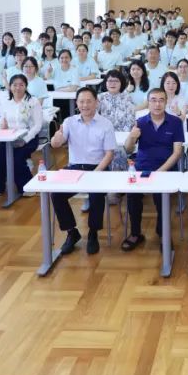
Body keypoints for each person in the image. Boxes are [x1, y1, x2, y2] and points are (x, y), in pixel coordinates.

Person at [50, 87, 115, 255]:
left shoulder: (106, 124)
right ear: (76, 103)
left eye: (89, 101)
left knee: (96, 194)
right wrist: (56, 138)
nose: (85, 105)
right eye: (81, 102)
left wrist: (95, 173)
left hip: (98, 168)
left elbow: (109, 154)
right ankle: (72, 232)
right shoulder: (69, 122)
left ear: (96, 102)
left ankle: (93, 233)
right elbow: (56, 144)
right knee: (56, 194)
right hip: (75, 168)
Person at [122, 89, 185, 250]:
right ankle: (135, 233)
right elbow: (128, 149)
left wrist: (160, 172)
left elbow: (177, 153)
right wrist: (132, 137)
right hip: (142, 167)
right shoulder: (140, 122)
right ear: (148, 103)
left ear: (166, 102)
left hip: (166, 168)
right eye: (153, 100)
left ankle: (163, 232)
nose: (157, 104)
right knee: (132, 196)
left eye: (161, 100)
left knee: (162, 197)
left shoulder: (175, 122)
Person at [0, 74, 43, 197]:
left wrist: (25, 140)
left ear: (26, 86)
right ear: (10, 87)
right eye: (14, 85)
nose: (18, 88)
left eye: (21, 85)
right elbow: (2, 119)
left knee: (17, 159)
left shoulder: (33, 102)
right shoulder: (6, 101)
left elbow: (37, 125)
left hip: (29, 137)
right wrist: (2, 125)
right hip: (9, 137)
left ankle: (27, 187)